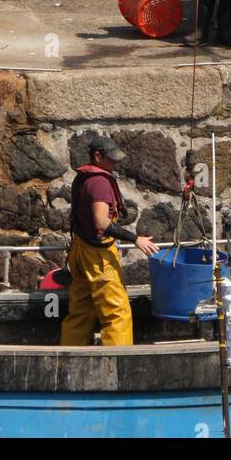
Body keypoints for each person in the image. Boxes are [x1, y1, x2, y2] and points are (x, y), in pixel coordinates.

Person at [60, 134, 159, 347]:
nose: (115, 164)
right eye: (111, 159)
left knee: (80, 313)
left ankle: (70, 360)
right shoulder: (100, 183)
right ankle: (118, 364)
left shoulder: (82, 178)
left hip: (80, 250)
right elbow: (101, 223)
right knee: (117, 314)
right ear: (97, 156)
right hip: (98, 258)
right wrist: (135, 239)